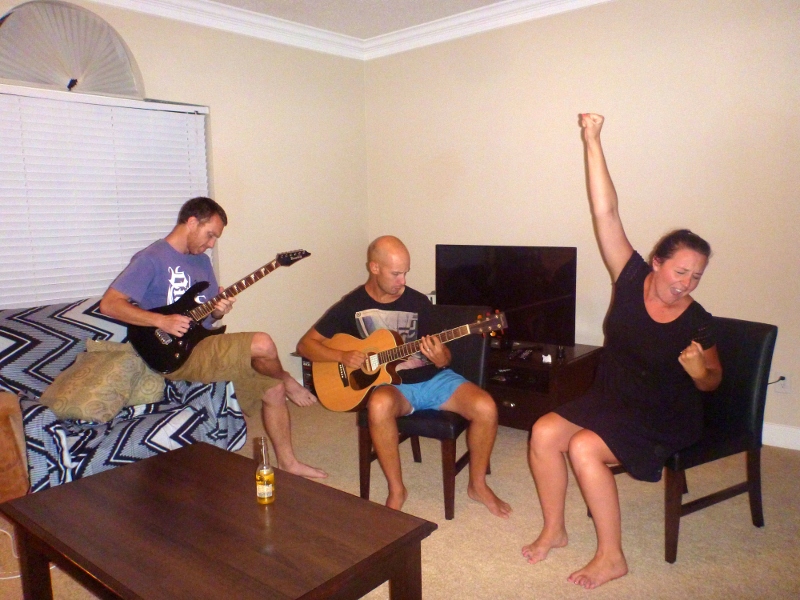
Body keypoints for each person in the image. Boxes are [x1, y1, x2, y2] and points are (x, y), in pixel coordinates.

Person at [522, 114, 722, 589]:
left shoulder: (697, 321)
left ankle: (612, 557)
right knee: (544, 431)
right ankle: (555, 529)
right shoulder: (630, 277)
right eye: (680, 272)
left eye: (696, 276)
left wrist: (699, 371)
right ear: (656, 263)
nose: (686, 283)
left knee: (584, 447)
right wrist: (592, 139)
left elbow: (713, 381)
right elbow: (606, 212)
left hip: (664, 414)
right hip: (613, 396)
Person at [99, 196, 326, 479]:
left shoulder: (202, 262)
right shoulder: (151, 258)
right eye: (210, 235)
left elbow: (205, 319)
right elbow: (109, 304)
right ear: (192, 222)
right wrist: (161, 321)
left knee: (272, 389)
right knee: (263, 343)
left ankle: (289, 463)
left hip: (200, 344)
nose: (211, 244)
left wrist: (218, 311)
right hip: (171, 352)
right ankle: (289, 379)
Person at [296, 235, 511, 517]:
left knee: (486, 407)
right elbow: (306, 345)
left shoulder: (418, 302)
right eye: (396, 274)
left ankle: (477, 485)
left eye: (406, 273)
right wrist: (341, 356)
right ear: (374, 268)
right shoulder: (352, 305)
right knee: (379, 405)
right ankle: (397, 489)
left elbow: (444, 356)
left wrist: (441, 357)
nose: (403, 281)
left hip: (433, 379)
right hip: (394, 386)